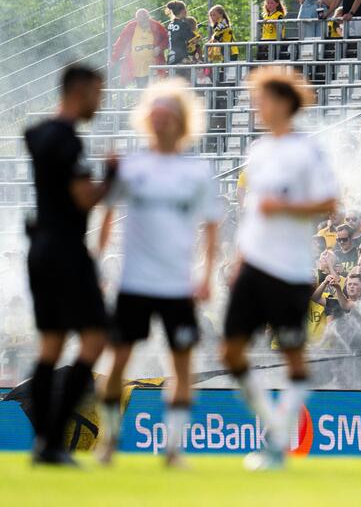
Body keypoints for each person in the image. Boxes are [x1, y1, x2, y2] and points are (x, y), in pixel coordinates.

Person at [221, 67, 339, 470]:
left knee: (293, 358)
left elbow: (329, 203)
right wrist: (238, 260)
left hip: (289, 269)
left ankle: (275, 443)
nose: (257, 107)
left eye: (263, 100)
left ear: (284, 104)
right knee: (230, 349)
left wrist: (285, 207)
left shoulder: (307, 151)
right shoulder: (257, 151)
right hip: (254, 263)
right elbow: (255, 213)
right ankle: (273, 427)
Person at [96, 80, 219, 467]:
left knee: (181, 366)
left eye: (170, 113)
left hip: (178, 286)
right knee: (117, 362)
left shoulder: (196, 172)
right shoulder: (132, 167)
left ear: (182, 120)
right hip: (134, 283)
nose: (162, 119)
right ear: (148, 118)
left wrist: (206, 276)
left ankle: (173, 449)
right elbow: (107, 212)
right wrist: (95, 262)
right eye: (156, 111)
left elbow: (213, 226)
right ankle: (109, 440)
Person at [24, 66, 114, 465]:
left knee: (51, 346)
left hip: (41, 248)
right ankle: (54, 436)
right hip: (65, 252)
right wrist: (111, 177)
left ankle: (45, 442)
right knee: (95, 339)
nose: (101, 100)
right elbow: (83, 199)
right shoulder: (68, 141)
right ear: (80, 92)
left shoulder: (41, 134)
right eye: (98, 92)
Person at [110, 9, 168, 87]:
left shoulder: (156, 26)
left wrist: (160, 48)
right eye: (141, 20)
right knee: (141, 91)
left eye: (146, 19)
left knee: (155, 89)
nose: (144, 22)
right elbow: (121, 43)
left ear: (149, 17)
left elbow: (167, 38)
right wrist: (114, 59)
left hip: (154, 67)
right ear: (136, 19)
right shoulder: (131, 27)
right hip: (137, 68)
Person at [165, 0, 194, 66]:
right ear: (183, 11)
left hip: (171, 55)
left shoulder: (170, 24)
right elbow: (191, 39)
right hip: (181, 57)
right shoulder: (183, 24)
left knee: (173, 76)